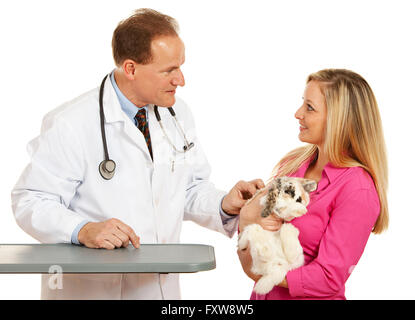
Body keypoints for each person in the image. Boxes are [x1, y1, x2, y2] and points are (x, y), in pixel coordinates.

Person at [10, 8, 264, 300]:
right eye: (169, 70)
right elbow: (30, 200)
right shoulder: (71, 123)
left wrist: (224, 203)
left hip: (157, 290)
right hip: (94, 290)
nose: (180, 80)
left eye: (181, 67)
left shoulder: (177, 114)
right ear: (130, 68)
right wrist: (82, 230)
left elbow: (186, 189)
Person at [237, 68, 388, 300]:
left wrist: (268, 273)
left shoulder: (357, 189)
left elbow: (329, 278)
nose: (298, 114)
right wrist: (248, 215)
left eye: (310, 107)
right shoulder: (293, 163)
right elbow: (255, 231)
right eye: (302, 104)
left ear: (339, 118)